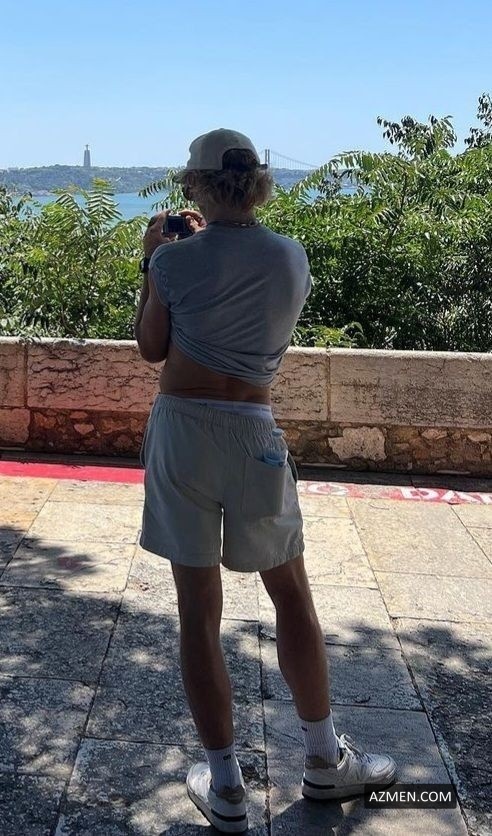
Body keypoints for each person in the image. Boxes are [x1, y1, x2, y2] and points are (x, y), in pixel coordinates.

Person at [134, 129, 396, 833]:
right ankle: (324, 758)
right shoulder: (289, 255)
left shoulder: (173, 261)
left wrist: (153, 259)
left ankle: (225, 787)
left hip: (183, 430)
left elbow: (152, 348)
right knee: (291, 594)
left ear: (194, 186)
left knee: (198, 611)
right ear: (257, 184)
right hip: (253, 430)